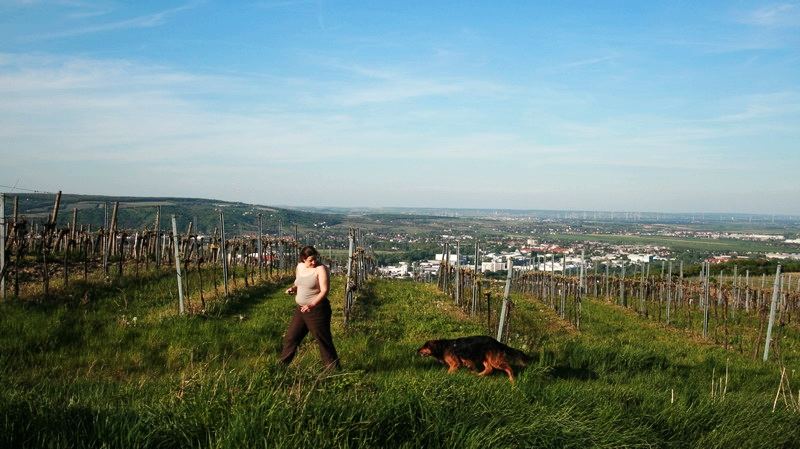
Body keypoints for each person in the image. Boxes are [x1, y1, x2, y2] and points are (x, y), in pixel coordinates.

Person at [279, 245, 340, 369]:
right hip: (301, 309)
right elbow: (299, 283)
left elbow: (324, 291)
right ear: (303, 259)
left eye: (315, 259)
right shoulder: (300, 267)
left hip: (317, 310)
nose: (313, 262)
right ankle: (281, 367)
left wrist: (312, 304)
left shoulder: (321, 269)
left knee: (323, 340)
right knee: (291, 338)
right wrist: (293, 289)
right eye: (310, 260)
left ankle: (333, 370)